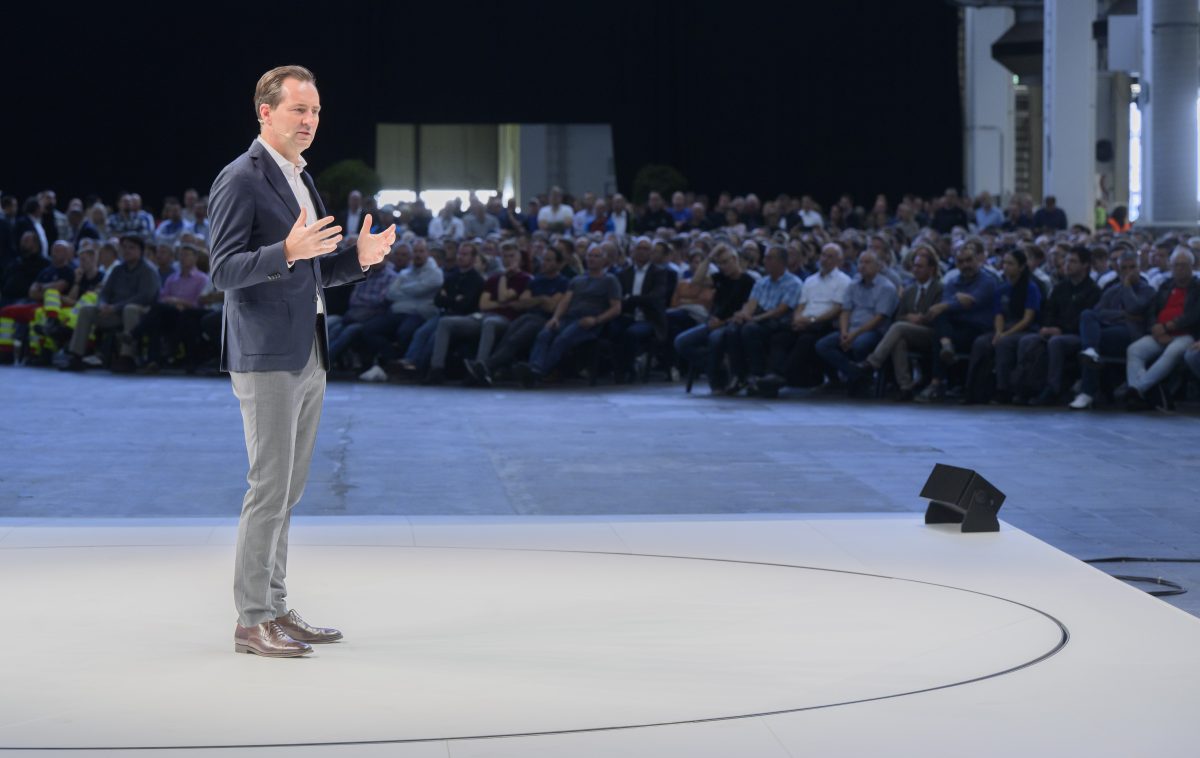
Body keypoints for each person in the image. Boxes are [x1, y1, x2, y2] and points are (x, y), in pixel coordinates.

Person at [208, 65, 395, 658]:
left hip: (307, 348)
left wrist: (359, 259)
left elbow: (313, 267)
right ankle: (251, 620)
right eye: (298, 111)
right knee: (268, 488)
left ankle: (277, 607)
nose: (310, 122)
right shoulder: (241, 178)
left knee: (288, 490)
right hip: (265, 352)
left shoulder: (299, 178)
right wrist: (283, 250)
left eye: (315, 112)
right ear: (264, 112)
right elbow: (222, 270)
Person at [513, 244, 621, 386]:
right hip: (569, 317)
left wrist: (596, 320)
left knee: (563, 338)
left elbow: (616, 308)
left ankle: (539, 371)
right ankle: (534, 367)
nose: (592, 259)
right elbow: (565, 301)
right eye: (590, 256)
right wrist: (555, 318)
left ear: (604, 260)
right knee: (545, 334)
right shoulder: (577, 280)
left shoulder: (610, 280)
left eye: (596, 256)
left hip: (588, 320)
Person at [1069, 250, 1154, 409]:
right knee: (1087, 316)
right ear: (1118, 270)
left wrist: (1127, 286)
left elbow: (1135, 306)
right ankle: (1091, 353)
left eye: (1132, 267)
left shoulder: (1147, 290)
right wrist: (1124, 315)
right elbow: (1097, 312)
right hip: (1108, 329)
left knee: (1090, 341)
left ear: (1139, 268)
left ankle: (1087, 391)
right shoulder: (1112, 289)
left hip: (1130, 333)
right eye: (1124, 268)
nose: (1128, 272)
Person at [858, 244, 943, 400]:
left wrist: (921, 318)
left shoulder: (939, 289)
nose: (916, 269)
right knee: (898, 340)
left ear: (931, 269)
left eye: (920, 266)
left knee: (898, 329)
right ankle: (906, 387)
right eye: (914, 266)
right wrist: (909, 318)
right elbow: (899, 316)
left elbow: (939, 317)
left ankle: (873, 362)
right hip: (908, 331)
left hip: (931, 333)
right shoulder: (909, 290)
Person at [1124, 248, 1199, 410]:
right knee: (1135, 350)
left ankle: (1137, 390)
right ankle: (1142, 391)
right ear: (1171, 267)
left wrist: (1168, 327)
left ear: (1192, 266)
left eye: (1183, 265)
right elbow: (1152, 311)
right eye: (1176, 265)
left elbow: (1194, 315)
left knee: (1172, 353)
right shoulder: (1165, 286)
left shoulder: (1197, 288)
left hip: (1185, 334)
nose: (1179, 269)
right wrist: (1155, 328)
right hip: (1160, 333)